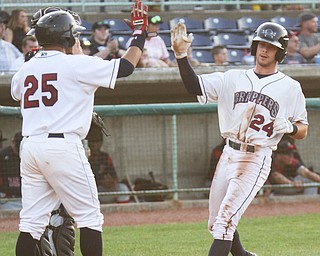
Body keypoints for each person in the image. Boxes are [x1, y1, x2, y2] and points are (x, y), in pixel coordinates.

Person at [11, 1, 149, 255]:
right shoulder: (77, 64)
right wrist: (140, 34)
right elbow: (127, 66)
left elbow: (18, 93)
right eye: (74, 34)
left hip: (30, 146)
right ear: (66, 36)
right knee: (89, 217)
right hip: (62, 146)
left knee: (30, 224)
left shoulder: (26, 68)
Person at [171, 21, 308, 256]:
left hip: (256, 158)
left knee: (225, 223)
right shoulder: (232, 77)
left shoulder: (290, 87)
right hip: (229, 153)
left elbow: (303, 128)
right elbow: (194, 85)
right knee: (216, 221)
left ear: (280, 51)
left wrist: (290, 128)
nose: (264, 50)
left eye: (271, 46)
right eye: (260, 44)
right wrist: (181, 56)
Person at [0, 131, 23, 210]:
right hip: (7, 200)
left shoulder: (31, 155)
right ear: (12, 142)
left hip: (28, 199)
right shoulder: (2, 155)